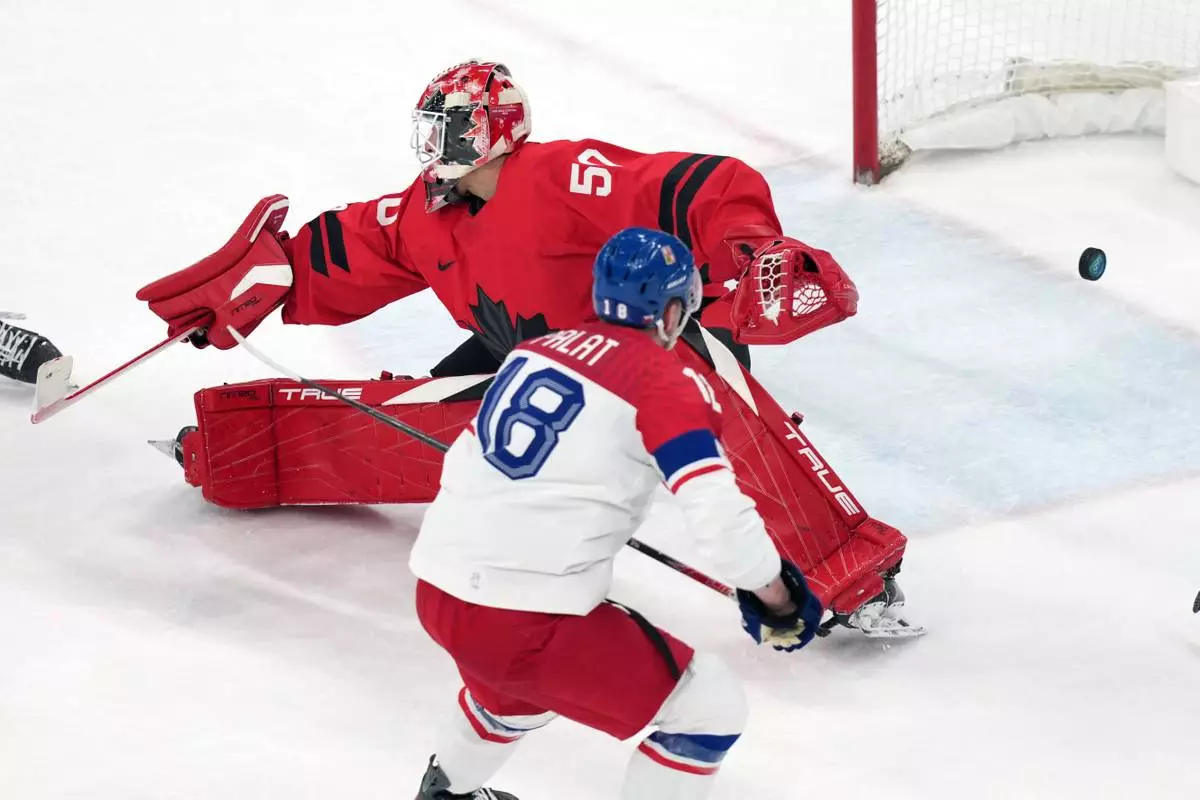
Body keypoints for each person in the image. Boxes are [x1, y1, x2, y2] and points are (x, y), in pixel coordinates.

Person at [135, 59, 914, 635]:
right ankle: (243, 449)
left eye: (448, 129)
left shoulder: (563, 175)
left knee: (714, 410)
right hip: (536, 357)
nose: (432, 146)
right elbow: (351, 246)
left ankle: (847, 570)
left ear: (491, 132)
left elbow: (698, 184)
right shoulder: (426, 211)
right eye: (428, 130)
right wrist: (267, 282)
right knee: (431, 428)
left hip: (647, 349)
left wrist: (744, 243)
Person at [408, 227, 823, 800]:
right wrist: (774, 595)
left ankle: (445, 793)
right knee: (709, 708)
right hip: (523, 618)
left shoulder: (534, 352)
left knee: (514, 694)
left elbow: (472, 464)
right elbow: (719, 520)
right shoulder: (666, 386)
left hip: (437, 590)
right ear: (675, 309)